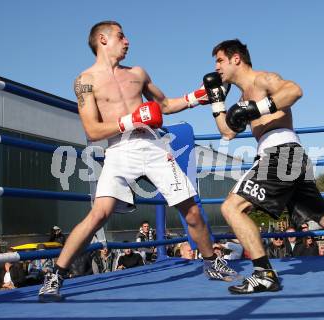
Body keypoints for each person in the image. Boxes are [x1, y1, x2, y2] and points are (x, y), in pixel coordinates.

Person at [38, 21, 236, 302]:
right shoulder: (85, 81)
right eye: (121, 36)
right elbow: (92, 131)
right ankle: (55, 276)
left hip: (152, 145)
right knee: (99, 214)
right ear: (103, 40)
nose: (127, 41)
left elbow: (165, 105)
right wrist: (130, 119)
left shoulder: (138, 73)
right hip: (119, 150)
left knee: (191, 210)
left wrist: (196, 97)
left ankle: (211, 262)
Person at [205, 39, 324, 294]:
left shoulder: (262, 80)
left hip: (280, 153)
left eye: (219, 60)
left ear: (235, 58)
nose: (217, 67)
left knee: (231, 207)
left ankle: (263, 274)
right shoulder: (240, 98)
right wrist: (216, 102)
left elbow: (294, 90)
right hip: (289, 157)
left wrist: (257, 107)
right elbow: (227, 133)